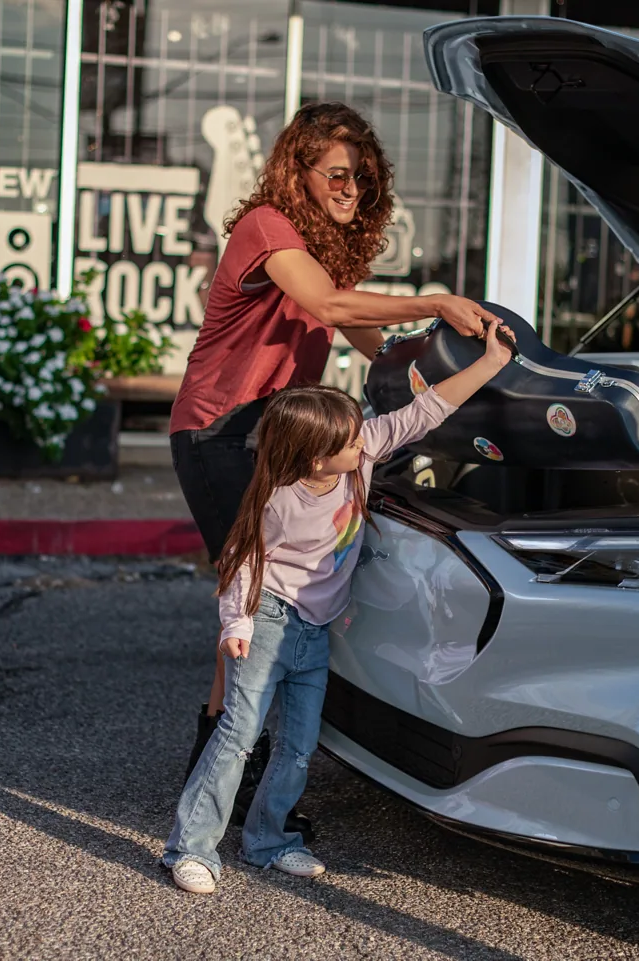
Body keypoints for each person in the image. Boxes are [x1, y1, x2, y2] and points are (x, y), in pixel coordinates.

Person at [169, 101, 498, 833]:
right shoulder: (267, 229)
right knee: (254, 603)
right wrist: (437, 300)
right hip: (222, 431)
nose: (354, 189)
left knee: (259, 607)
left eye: (365, 179)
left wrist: (450, 385)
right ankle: (219, 795)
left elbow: (367, 336)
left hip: (278, 434)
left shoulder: (316, 249)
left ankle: (228, 783)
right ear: (300, 171)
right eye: (340, 175)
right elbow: (328, 300)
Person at [165, 319, 514, 894]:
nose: (366, 440)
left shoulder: (361, 457)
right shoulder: (279, 499)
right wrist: (237, 623)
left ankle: (268, 840)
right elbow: (242, 561)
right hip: (269, 621)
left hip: (315, 628)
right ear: (313, 457)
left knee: (301, 747)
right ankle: (192, 848)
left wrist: (492, 364)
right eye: (351, 440)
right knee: (239, 734)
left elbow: (425, 412)